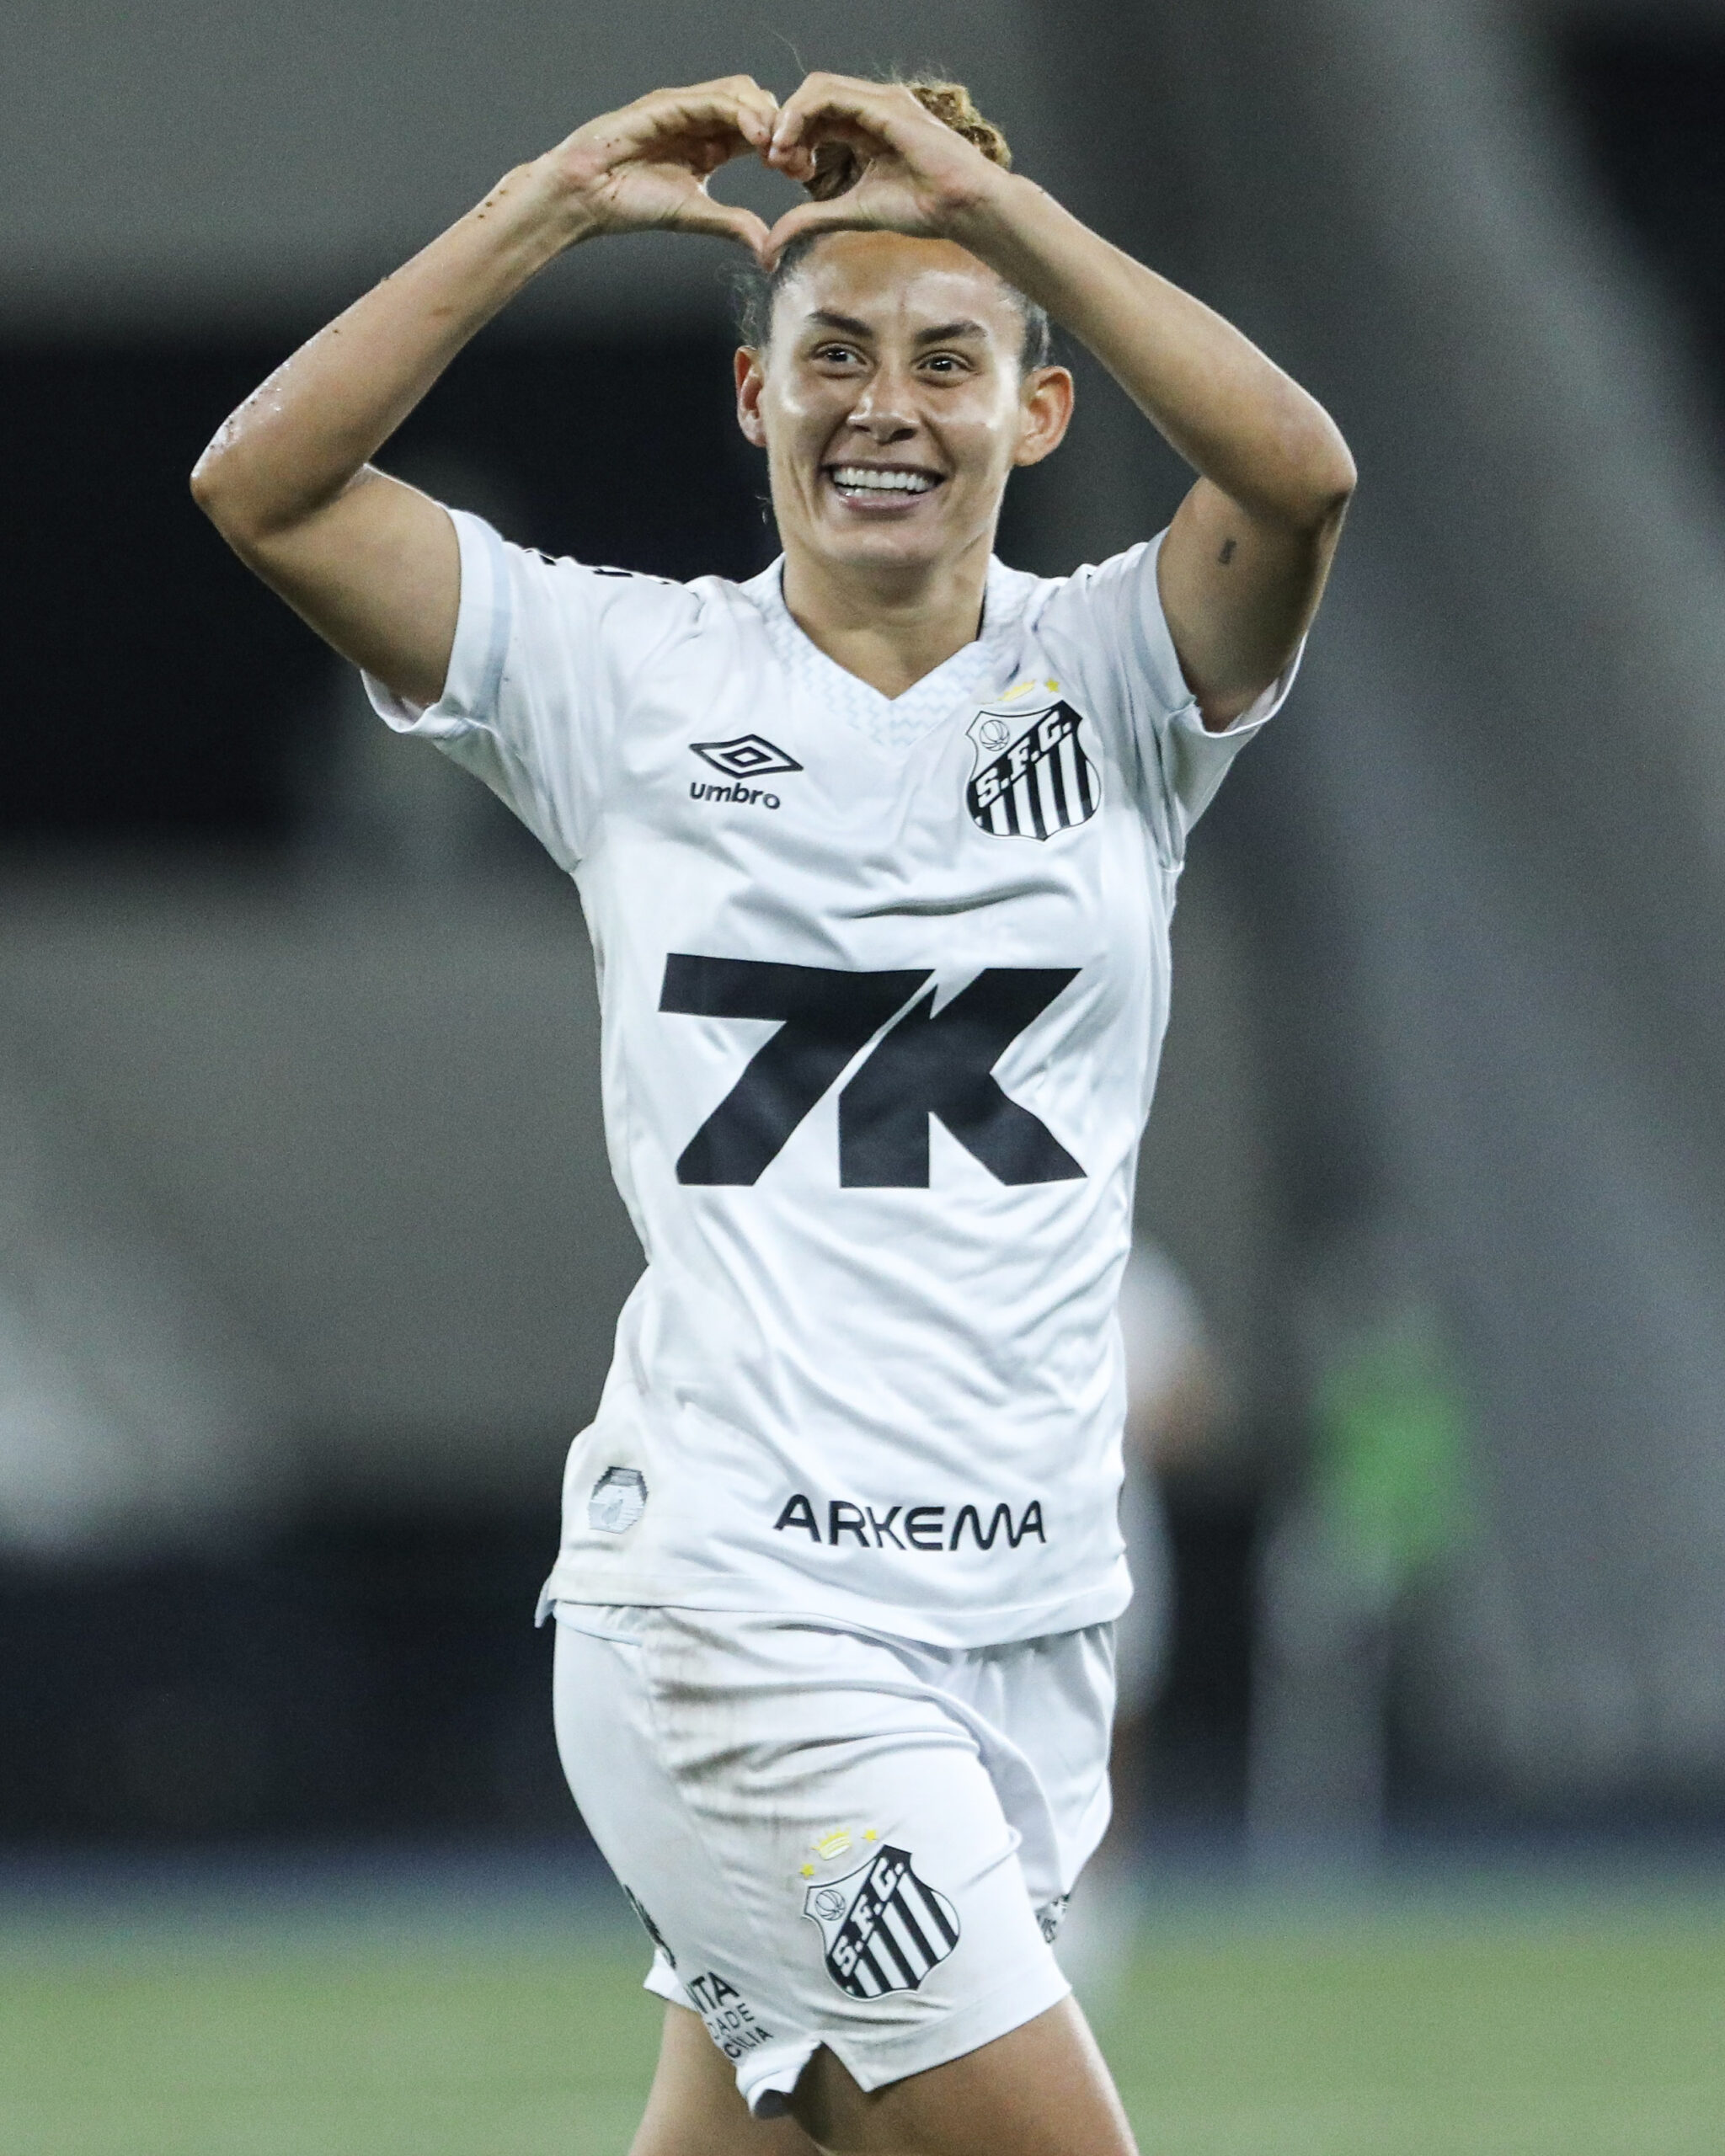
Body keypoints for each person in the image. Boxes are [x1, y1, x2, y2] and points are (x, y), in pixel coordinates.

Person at [192, 69, 1352, 2156]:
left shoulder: (1116, 678)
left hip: (1024, 1622)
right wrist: (550, 199)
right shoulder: (615, 672)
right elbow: (265, 486)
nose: (884, 404)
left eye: (948, 357)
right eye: (832, 354)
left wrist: (1001, 212)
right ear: (753, 396)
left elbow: (1297, 472)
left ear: (1041, 410)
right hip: (741, 1620)